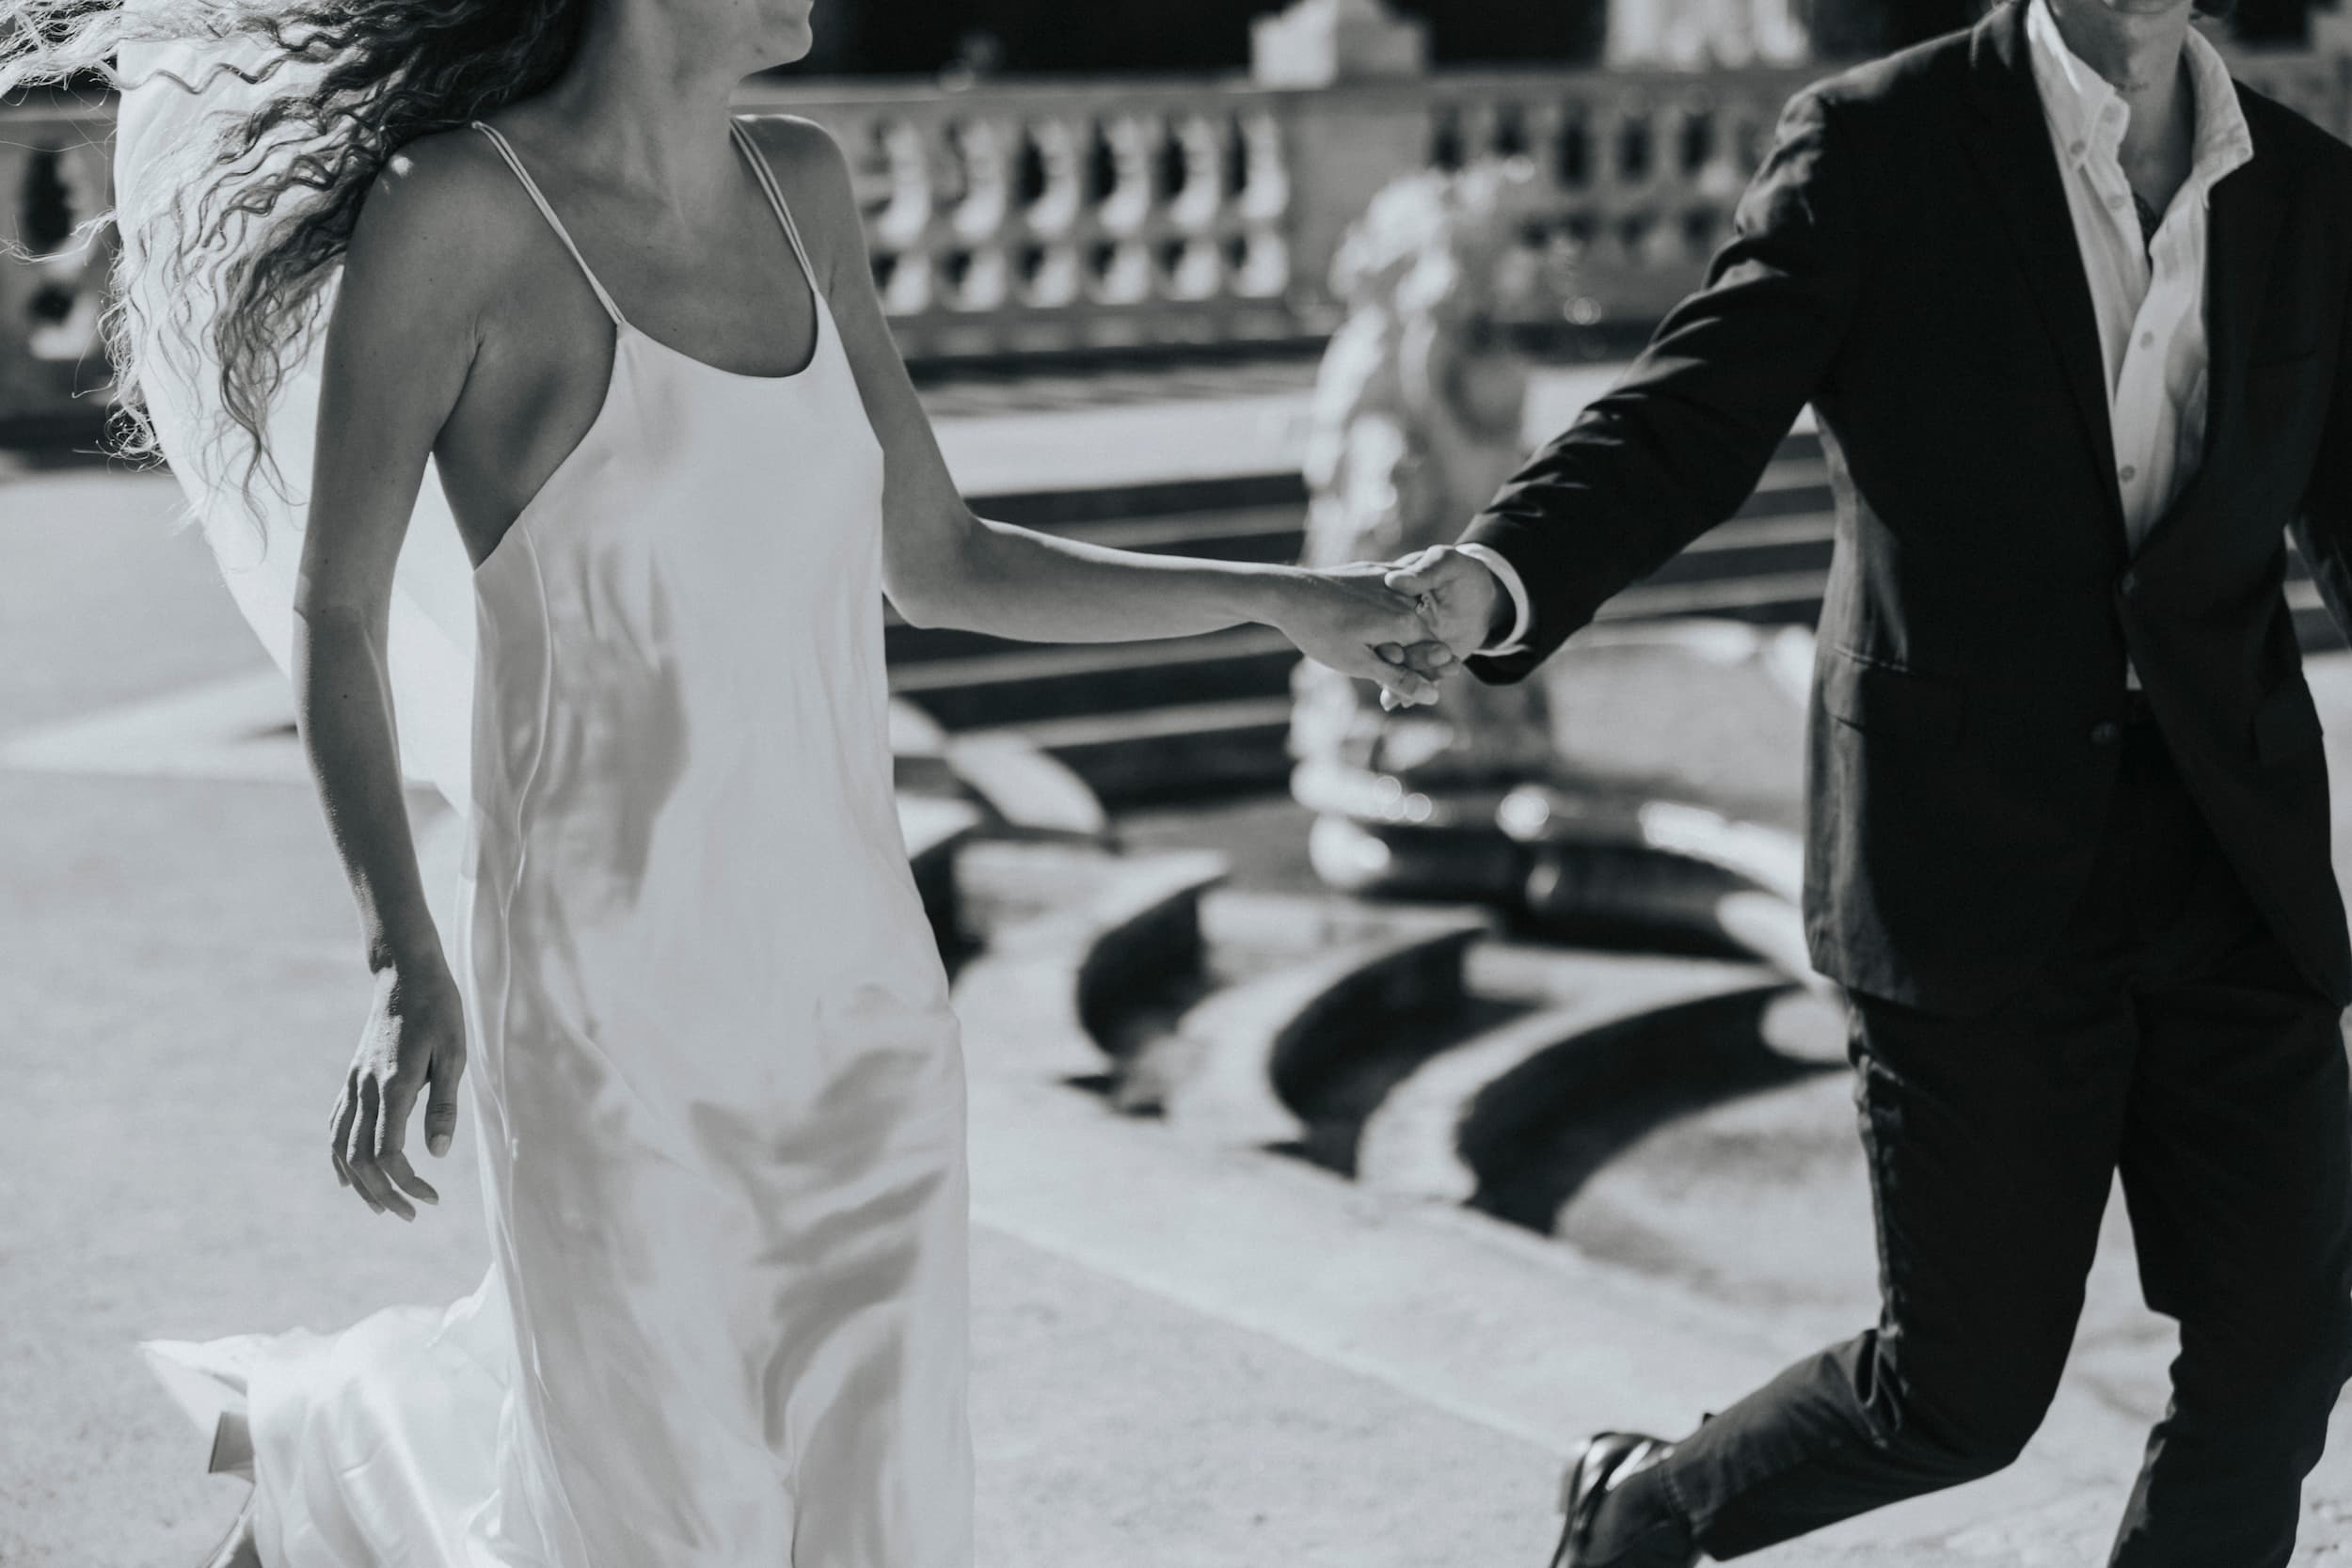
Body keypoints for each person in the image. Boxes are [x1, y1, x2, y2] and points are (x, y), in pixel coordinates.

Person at [3, 1, 1450, 1563]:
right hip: (610, 1015)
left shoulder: (802, 189)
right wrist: (399, 950)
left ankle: (349, 1465)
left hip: (862, 1012)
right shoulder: (460, 215)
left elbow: (941, 559)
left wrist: (1287, 599)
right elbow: (335, 615)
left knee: (874, 1528)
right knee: (653, 1526)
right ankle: (338, 1466)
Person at [1380, 0, 2352, 1561]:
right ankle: (1647, 1511)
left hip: (2228, 854)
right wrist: (1495, 574)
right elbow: (1689, 419)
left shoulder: (2306, 187)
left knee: (2286, 1341)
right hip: (1962, 854)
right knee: (1960, 1392)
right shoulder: (1883, 145)